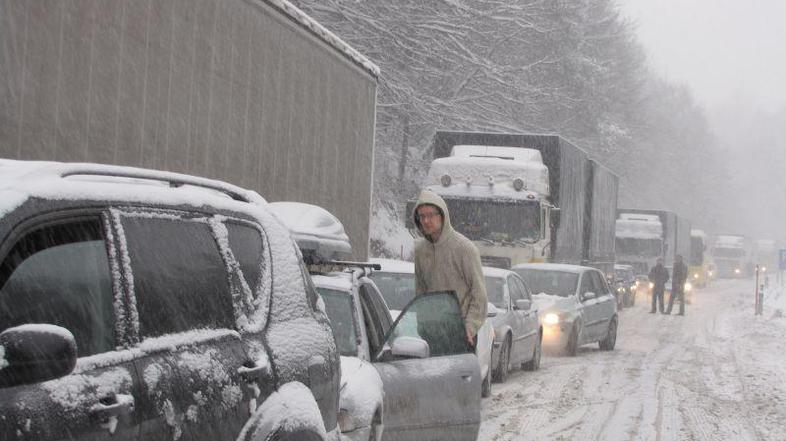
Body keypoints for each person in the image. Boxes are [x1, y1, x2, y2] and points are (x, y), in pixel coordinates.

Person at [412, 190, 488, 348]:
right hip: (431, 334)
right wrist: (422, 324)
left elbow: (479, 295)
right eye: (422, 216)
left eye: (431, 215)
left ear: (442, 216)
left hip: (460, 336)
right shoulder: (420, 250)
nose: (426, 221)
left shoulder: (464, 248)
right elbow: (421, 292)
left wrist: (469, 328)